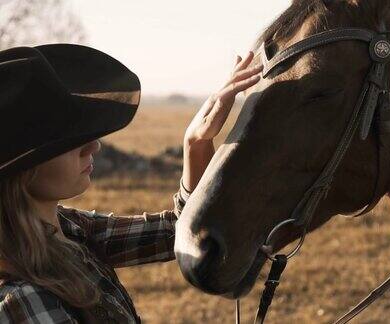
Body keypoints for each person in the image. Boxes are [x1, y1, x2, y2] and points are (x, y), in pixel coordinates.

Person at [0, 44, 262, 323]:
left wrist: (196, 143)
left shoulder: (69, 228)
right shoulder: (23, 300)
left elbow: (174, 231)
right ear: (20, 168)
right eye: (67, 141)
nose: (93, 146)